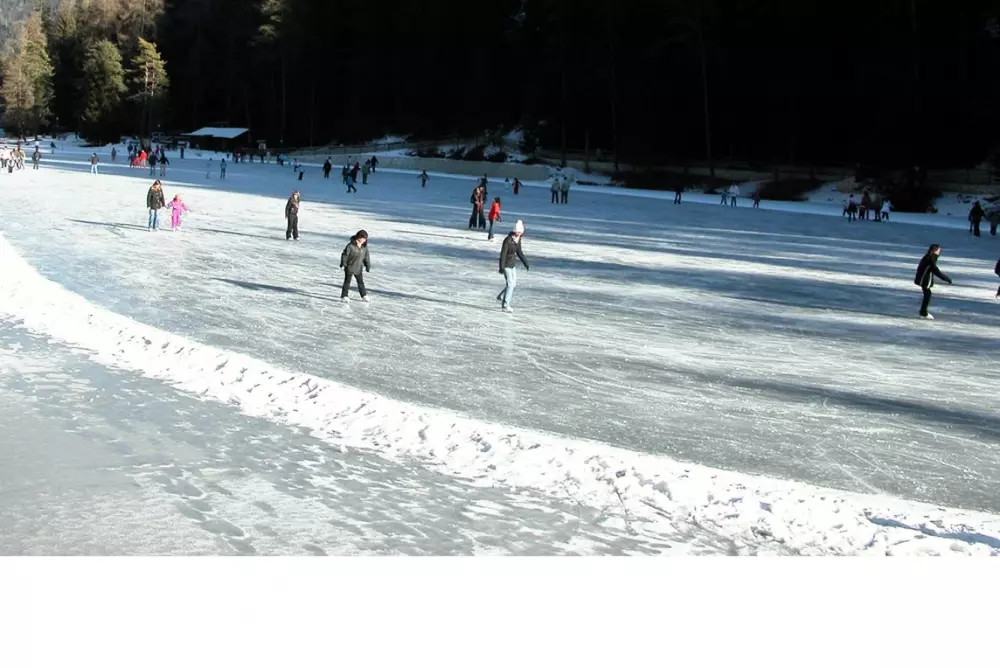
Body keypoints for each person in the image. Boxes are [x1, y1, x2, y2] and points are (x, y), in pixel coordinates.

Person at [497, 220, 529, 313]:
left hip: (512, 265)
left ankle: (502, 296)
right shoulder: (508, 240)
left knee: (513, 285)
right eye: (517, 231)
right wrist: (501, 267)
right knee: (510, 284)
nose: (519, 233)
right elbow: (503, 254)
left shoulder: (518, 239)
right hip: (506, 264)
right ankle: (505, 305)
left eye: (520, 231)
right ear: (514, 230)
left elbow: (519, 252)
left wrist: (525, 262)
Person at [914, 244, 952, 320]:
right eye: (939, 250)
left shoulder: (929, 256)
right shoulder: (931, 258)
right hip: (924, 279)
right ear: (935, 250)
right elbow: (936, 271)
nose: (939, 251)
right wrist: (947, 279)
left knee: (927, 294)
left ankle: (923, 312)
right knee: (927, 294)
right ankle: (923, 312)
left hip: (922, 278)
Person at [339, 229, 371, 302]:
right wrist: (343, 263)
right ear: (359, 237)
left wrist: (367, 265)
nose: (364, 240)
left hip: (359, 268)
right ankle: (344, 296)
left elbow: (366, 257)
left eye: (365, 239)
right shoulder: (350, 246)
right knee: (347, 282)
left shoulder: (364, 247)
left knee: (360, 282)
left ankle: (364, 295)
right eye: (363, 238)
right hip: (350, 267)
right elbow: (345, 255)